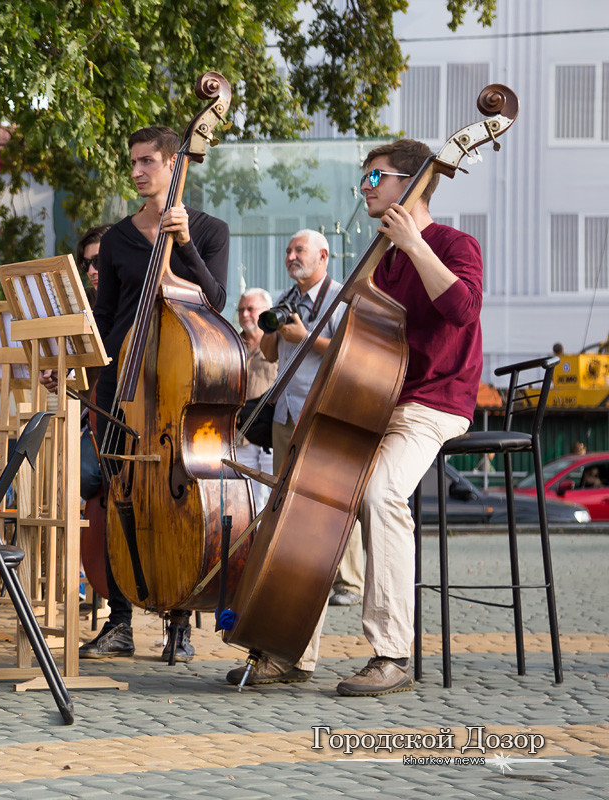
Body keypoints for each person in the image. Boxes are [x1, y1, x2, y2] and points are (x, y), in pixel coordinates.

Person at [227, 138, 484, 696]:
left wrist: (414, 245)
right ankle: (287, 649)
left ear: (410, 182)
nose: (363, 189)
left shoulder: (453, 244)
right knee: (308, 500)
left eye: (373, 178)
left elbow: (461, 309)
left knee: (382, 493)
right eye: (363, 181)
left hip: (433, 403)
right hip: (372, 403)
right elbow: (354, 344)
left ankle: (391, 654)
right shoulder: (378, 260)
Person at [78, 125, 229, 663]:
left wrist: (183, 243)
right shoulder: (118, 238)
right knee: (118, 494)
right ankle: (119, 622)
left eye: (147, 161)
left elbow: (214, 300)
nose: (137, 171)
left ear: (174, 162)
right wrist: (81, 366)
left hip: (175, 390)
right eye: (133, 162)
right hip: (122, 386)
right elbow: (104, 315)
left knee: (178, 500)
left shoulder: (209, 230)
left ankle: (179, 623)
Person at [259, 231, 359, 607]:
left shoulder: (339, 298)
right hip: (285, 411)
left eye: (298, 250)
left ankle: (348, 580)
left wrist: (304, 336)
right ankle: (300, 569)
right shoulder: (288, 299)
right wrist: (270, 330)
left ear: (322, 256)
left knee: (332, 495)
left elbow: (350, 352)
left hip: (322, 410)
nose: (290, 256)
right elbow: (270, 356)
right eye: (287, 250)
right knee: (287, 493)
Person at [234, 288, 278, 509]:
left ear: (266, 312)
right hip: (241, 432)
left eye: (251, 309)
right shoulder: (231, 345)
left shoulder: (278, 343)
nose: (244, 314)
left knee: (273, 498)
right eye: (241, 309)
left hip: (270, 432)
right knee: (245, 499)